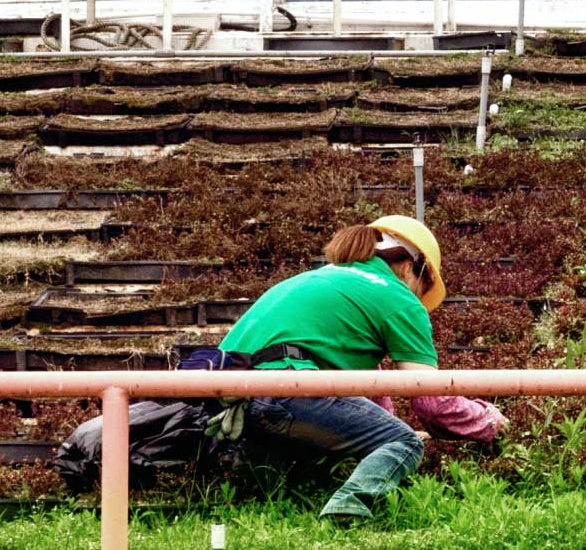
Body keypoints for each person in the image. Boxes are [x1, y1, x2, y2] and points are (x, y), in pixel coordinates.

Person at [215, 215, 507, 522]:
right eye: (424, 288)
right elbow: (433, 403)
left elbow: (371, 390)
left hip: (232, 402)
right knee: (404, 442)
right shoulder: (397, 298)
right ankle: (347, 508)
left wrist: (381, 428)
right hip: (287, 391)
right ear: (411, 268)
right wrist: (490, 422)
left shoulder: (320, 279)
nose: (420, 300)